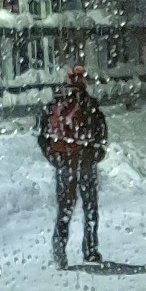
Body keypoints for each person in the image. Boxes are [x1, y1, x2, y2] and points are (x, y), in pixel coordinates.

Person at [37, 65, 108, 269]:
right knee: (90, 208)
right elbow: (101, 135)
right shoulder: (89, 105)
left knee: (65, 209)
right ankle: (90, 250)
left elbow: (42, 136)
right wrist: (94, 155)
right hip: (85, 162)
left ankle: (59, 246)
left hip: (64, 163)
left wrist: (55, 158)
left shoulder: (54, 105)